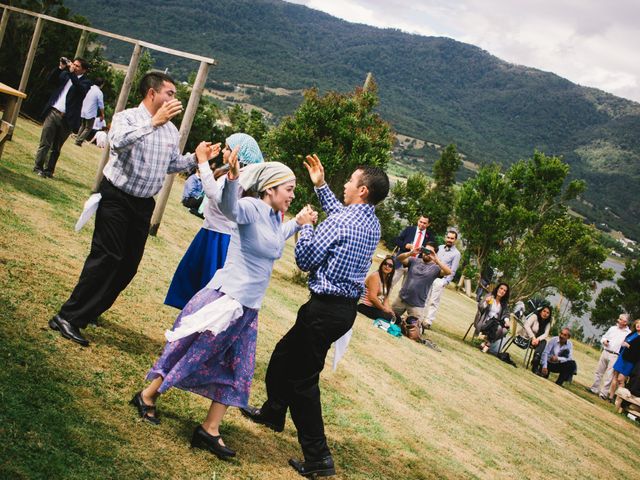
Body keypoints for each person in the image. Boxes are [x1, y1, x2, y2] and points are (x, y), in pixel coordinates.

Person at [131, 149, 317, 459]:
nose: (293, 195)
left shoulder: (273, 217)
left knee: (238, 369)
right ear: (270, 188)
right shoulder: (248, 207)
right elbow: (228, 206)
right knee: (191, 354)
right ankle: (147, 396)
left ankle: (210, 429)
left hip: (248, 308)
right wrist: (232, 177)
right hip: (226, 301)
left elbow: (271, 245)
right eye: (289, 189)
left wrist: (296, 224)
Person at [241, 154, 390, 478]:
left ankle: (319, 457)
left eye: (350, 181)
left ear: (362, 190)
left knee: (302, 382)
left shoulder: (341, 222)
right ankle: (273, 413)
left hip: (323, 310)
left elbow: (305, 259)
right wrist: (320, 184)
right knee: (283, 355)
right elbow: (340, 214)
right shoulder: (370, 221)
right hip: (341, 311)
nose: (346, 184)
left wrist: (305, 228)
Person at [48, 71, 215, 347]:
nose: (175, 99)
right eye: (170, 93)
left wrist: (197, 159)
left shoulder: (171, 131)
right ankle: (68, 316)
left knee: (128, 266)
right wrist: (152, 123)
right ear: (152, 93)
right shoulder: (128, 118)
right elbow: (117, 143)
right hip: (117, 197)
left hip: (142, 205)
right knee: (106, 257)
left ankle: (91, 310)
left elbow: (170, 163)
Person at [165, 133, 264, 310]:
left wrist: (202, 161)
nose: (224, 151)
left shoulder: (240, 177)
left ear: (238, 154)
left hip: (220, 239)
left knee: (208, 288)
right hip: (211, 232)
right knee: (198, 284)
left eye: (228, 148)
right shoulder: (234, 174)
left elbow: (214, 194)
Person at [34, 57, 92, 178]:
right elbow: (51, 80)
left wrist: (72, 74)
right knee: (45, 142)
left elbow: (79, 88)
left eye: (77, 66)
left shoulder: (86, 83)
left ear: (84, 70)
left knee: (56, 147)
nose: (74, 67)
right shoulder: (65, 74)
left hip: (67, 118)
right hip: (54, 112)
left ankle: (49, 170)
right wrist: (60, 67)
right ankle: (38, 167)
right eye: (73, 64)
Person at [391, 243, 452, 324]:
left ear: (434, 253)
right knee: (388, 318)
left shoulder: (436, 268)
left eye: (430, 252)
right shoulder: (413, 261)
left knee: (413, 330)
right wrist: (411, 253)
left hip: (417, 305)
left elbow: (448, 272)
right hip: (401, 299)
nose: (426, 253)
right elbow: (399, 258)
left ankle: (405, 321)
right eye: (425, 250)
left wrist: (436, 260)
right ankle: (402, 320)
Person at [422, 230, 461, 330]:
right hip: (431, 275)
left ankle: (428, 321)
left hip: (441, 279)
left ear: (455, 240)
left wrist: (445, 282)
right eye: (448, 237)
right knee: (424, 297)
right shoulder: (439, 248)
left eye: (452, 238)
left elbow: (453, 270)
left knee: (434, 301)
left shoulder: (456, 254)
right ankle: (419, 317)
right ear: (445, 237)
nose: (449, 240)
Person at [589, 314, 630, 399]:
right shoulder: (612, 328)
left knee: (609, 375)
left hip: (615, 355)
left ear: (625, 322)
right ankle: (594, 389)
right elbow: (604, 337)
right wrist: (604, 341)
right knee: (599, 371)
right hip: (605, 352)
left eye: (620, 319)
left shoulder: (628, 333)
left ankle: (603, 394)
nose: (618, 320)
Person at [391, 215, 432, 285]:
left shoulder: (430, 236)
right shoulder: (409, 229)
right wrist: (405, 245)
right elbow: (396, 240)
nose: (421, 224)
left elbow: (430, 251)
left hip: (414, 266)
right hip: (401, 262)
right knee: (390, 284)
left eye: (424, 223)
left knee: (406, 290)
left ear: (428, 224)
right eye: (420, 222)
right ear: (418, 221)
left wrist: (424, 251)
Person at [608, 318, 640, 401]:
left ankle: (618, 399)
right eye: (637, 323)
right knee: (615, 377)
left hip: (629, 361)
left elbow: (636, 352)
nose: (638, 325)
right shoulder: (631, 334)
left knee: (621, 380)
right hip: (622, 357)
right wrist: (624, 345)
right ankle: (611, 397)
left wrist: (629, 346)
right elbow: (623, 343)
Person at [473, 282, 510, 353]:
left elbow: (506, 314)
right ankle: (488, 344)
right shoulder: (490, 296)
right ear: (497, 289)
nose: (502, 291)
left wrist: (507, 321)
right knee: (499, 328)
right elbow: (480, 308)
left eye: (504, 290)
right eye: (501, 288)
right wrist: (486, 302)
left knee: (505, 330)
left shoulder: (504, 303)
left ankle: (485, 343)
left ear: (506, 293)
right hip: (485, 322)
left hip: (495, 324)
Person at [357, 255, 395, 321]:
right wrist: (384, 309)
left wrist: (389, 310)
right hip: (365, 306)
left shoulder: (387, 280)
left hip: (376, 307)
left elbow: (385, 299)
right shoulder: (375, 276)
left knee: (396, 317)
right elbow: (372, 298)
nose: (387, 266)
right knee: (388, 317)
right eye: (385, 264)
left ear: (392, 269)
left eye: (390, 266)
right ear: (381, 265)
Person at [518, 305, 553, 374]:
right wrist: (533, 337)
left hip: (535, 342)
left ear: (549, 315)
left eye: (547, 313)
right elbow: (526, 326)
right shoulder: (534, 316)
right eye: (544, 311)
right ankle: (536, 364)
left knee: (543, 342)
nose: (545, 314)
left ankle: (536, 359)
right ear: (540, 312)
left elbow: (546, 334)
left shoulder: (547, 323)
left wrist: (537, 340)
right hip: (525, 338)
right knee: (542, 343)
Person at [75, 78, 105, 146]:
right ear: (101, 84)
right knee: (88, 128)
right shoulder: (99, 92)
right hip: (91, 112)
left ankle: (77, 138)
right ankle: (79, 141)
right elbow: (101, 105)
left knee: (82, 125)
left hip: (84, 109)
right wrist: (103, 114)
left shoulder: (90, 88)